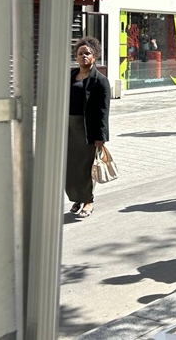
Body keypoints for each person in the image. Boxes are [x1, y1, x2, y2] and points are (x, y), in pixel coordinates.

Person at [66, 36, 111, 219]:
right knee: (68, 167)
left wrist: (100, 136)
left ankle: (88, 201)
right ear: (76, 57)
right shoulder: (70, 76)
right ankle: (78, 198)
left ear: (95, 56)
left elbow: (103, 110)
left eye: (87, 53)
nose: (83, 56)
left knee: (84, 168)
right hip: (68, 127)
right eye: (80, 53)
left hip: (87, 130)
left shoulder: (100, 81)